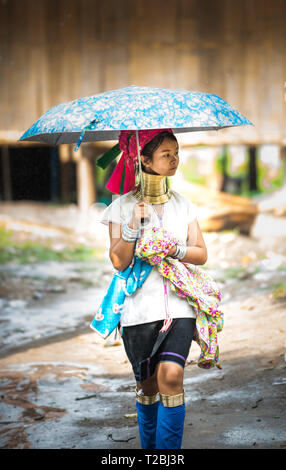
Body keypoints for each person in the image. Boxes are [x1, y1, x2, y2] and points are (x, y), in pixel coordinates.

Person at [99, 128, 208, 449]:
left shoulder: (183, 205)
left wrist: (175, 250)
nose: (175, 160)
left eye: (177, 153)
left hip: (179, 307)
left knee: (172, 379)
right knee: (148, 389)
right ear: (143, 159)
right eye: (166, 154)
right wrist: (133, 226)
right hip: (138, 310)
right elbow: (118, 262)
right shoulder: (121, 207)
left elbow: (201, 253)